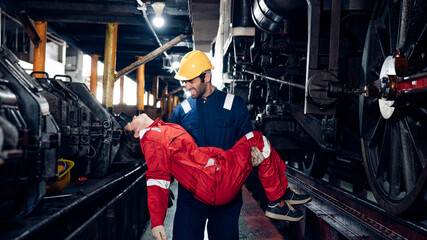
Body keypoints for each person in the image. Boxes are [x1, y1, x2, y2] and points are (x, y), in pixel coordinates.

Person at [120, 114, 311, 240]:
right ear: (137, 134)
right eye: (130, 123)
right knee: (259, 141)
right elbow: (157, 180)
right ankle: (277, 202)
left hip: (216, 173)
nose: (134, 116)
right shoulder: (151, 140)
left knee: (257, 139)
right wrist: (157, 222)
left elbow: (192, 154)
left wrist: (218, 157)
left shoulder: (160, 130)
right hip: (215, 184)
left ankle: (282, 193)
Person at [170, 50, 253, 240]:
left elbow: (247, 147)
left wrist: (236, 178)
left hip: (225, 195)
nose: (186, 86)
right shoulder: (181, 111)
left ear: (206, 77)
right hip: (191, 193)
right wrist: (165, 185)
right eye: (184, 81)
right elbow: (171, 151)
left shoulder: (234, 105)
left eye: (191, 80)